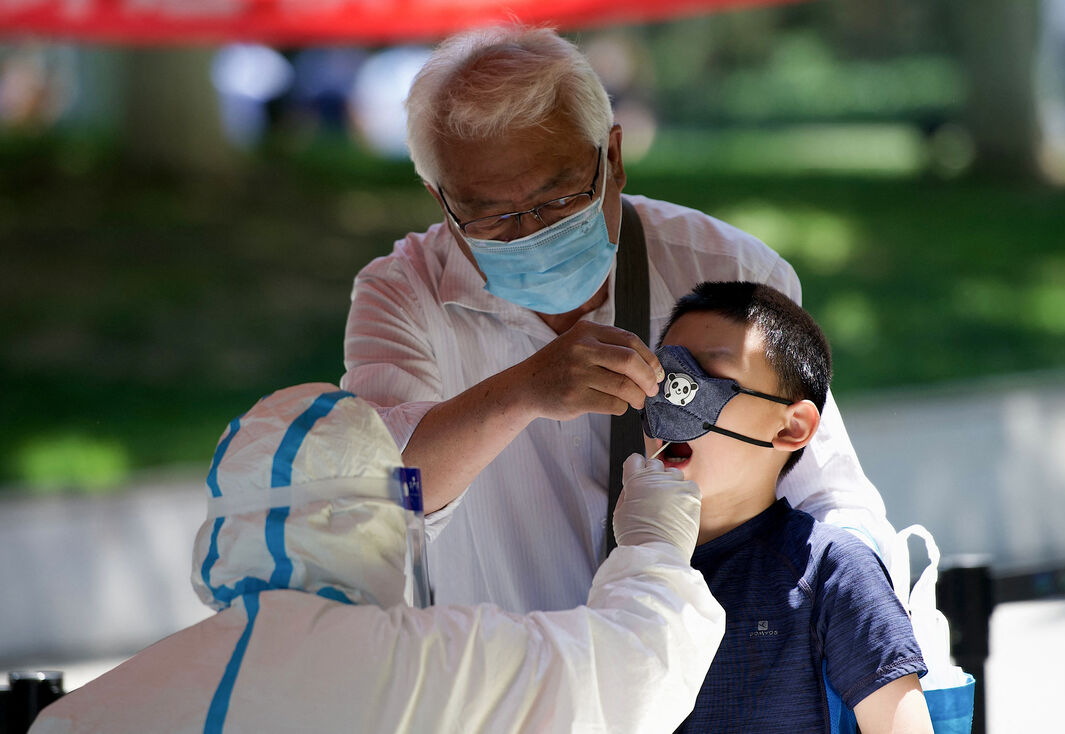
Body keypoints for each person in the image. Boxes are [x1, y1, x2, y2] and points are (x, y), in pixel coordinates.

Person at [342, 24, 895, 613]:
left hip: (711, 686)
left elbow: (823, 493)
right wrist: (522, 392)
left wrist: (861, 636)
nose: (534, 232)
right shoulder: (402, 293)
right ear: (440, 197)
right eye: (491, 217)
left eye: (559, 199)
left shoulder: (726, 270)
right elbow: (386, 497)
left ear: (613, 157)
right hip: (510, 686)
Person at [30, 383, 724, 734]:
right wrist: (654, 541)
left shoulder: (87, 713)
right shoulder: (431, 666)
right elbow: (636, 668)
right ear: (375, 521)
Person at [640, 281, 931, 734]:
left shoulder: (833, 571)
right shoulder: (630, 570)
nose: (673, 401)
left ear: (791, 427)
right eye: (664, 377)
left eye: (705, 382)